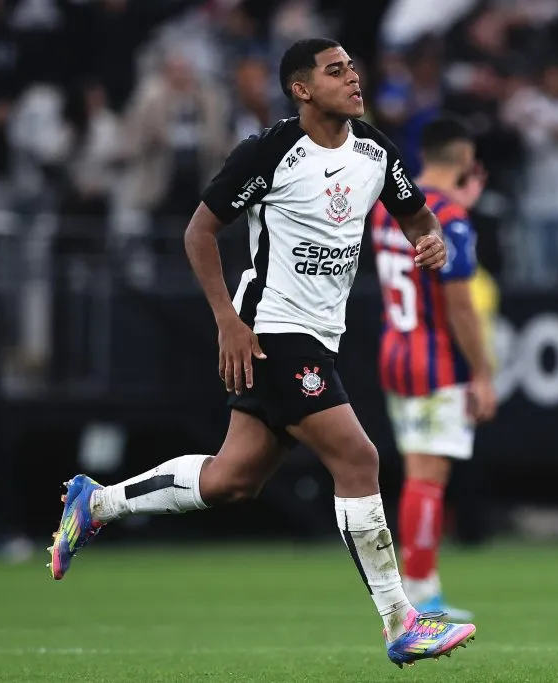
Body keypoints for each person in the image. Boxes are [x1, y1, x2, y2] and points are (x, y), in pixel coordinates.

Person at [48, 38, 476, 669]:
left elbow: (415, 216)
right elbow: (200, 230)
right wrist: (227, 321)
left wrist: (430, 241)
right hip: (273, 328)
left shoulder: (375, 151)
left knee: (233, 479)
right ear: (301, 89)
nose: (353, 78)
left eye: (353, 68)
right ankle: (400, 620)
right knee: (359, 458)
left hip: (320, 335)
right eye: (336, 71)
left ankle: (100, 502)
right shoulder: (271, 152)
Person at [370, 115, 497, 620]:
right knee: (429, 475)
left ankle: (420, 586)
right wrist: (483, 372)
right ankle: (421, 593)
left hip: (394, 348)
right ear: (466, 161)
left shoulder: (387, 209)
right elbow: (460, 304)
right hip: (433, 356)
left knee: (417, 471)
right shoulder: (453, 219)